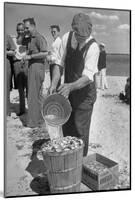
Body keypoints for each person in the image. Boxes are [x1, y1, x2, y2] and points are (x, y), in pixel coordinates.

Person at [49, 13, 100, 156]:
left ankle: (80, 163)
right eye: (78, 36)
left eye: (84, 37)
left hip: (85, 95)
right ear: (73, 30)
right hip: (69, 91)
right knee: (67, 127)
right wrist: (54, 83)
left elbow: (87, 77)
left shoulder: (93, 47)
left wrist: (70, 86)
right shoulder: (66, 38)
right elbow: (58, 63)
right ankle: (69, 160)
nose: (81, 40)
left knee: (80, 131)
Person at [23, 18, 48, 128]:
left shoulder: (38, 37)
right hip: (33, 67)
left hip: (37, 67)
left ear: (33, 26)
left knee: (33, 95)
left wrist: (30, 56)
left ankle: (33, 122)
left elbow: (45, 53)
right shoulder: (30, 39)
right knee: (37, 95)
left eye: (27, 28)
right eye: (24, 28)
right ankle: (39, 120)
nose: (25, 30)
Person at [12, 23, 29, 116]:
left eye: (22, 29)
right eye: (18, 29)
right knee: (20, 89)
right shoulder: (14, 40)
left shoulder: (28, 39)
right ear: (16, 30)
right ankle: (22, 110)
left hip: (26, 64)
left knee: (29, 87)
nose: (20, 31)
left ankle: (30, 108)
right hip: (17, 64)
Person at [6, 34, 16, 116]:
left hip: (5, 66)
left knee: (5, 90)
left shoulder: (7, 37)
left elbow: (13, 52)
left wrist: (5, 51)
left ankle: (6, 112)